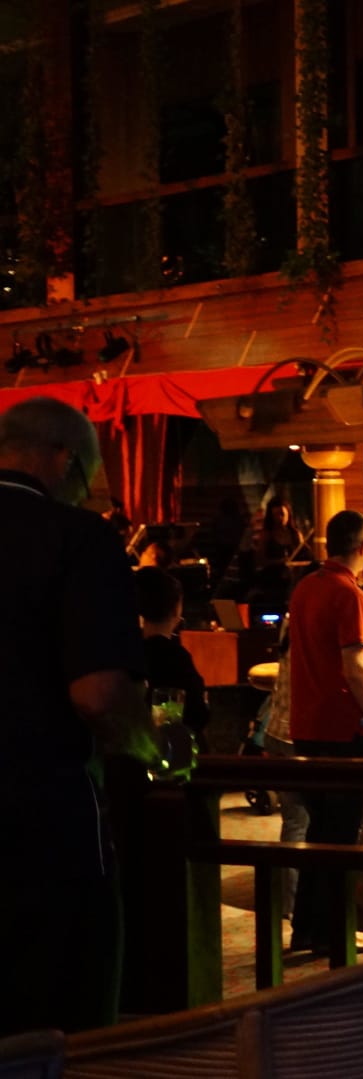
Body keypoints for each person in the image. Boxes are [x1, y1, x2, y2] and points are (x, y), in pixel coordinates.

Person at [0, 397, 159, 1037]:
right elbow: (99, 695)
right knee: (63, 1029)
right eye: (88, 478)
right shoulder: (76, 538)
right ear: (64, 460)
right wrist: (154, 747)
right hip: (39, 827)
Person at [285, 509, 363, 958]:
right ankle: (336, 932)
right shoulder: (348, 592)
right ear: (362, 547)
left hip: (306, 725)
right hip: (342, 726)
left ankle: (307, 929)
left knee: (318, 832)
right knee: (340, 837)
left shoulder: (305, 586)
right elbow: (354, 664)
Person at [133, 567, 212, 744]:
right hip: (168, 747)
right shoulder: (176, 657)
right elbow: (197, 714)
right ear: (176, 610)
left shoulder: (129, 652)